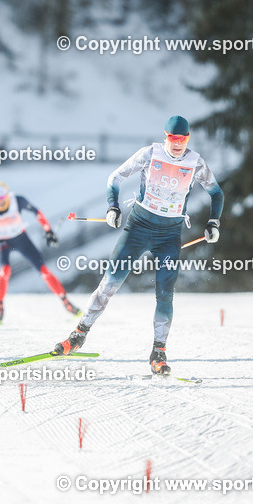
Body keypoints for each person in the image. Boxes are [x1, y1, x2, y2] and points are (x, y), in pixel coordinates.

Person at [49, 115, 224, 376]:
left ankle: (159, 352)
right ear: (165, 137)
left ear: (188, 138)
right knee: (110, 283)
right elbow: (115, 177)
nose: (178, 144)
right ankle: (77, 336)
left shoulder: (195, 162)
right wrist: (112, 207)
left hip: (169, 236)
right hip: (138, 229)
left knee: (165, 293)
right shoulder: (150, 154)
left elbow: (216, 193)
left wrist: (214, 222)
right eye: (173, 138)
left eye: (183, 139)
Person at [0, 181, 80, 324]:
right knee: (5, 271)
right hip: (2, 243)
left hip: (21, 239)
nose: (0, 202)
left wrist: (48, 231)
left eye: (3, 198)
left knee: (44, 270)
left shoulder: (17, 200)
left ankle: (66, 302)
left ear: (7, 195)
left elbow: (37, 212)